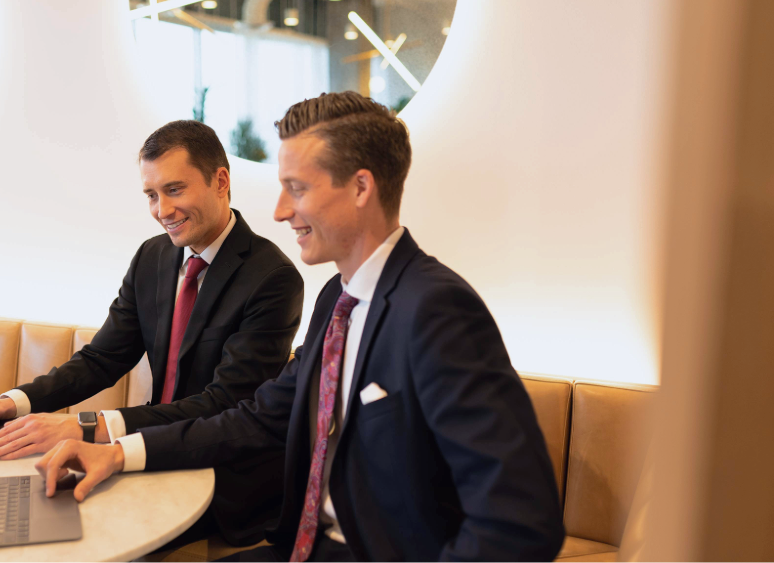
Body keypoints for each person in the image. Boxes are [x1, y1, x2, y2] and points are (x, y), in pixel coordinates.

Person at [34, 93, 565, 561]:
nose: (280, 210)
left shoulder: (437, 309)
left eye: (296, 188)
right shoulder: (337, 298)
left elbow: (521, 520)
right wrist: (117, 451)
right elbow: (259, 417)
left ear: (361, 187)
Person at [0, 120, 304, 546]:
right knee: (32, 507)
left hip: (220, 470)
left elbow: (224, 403)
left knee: (84, 533)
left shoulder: (272, 278)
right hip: (145, 447)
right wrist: (13, 404)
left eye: (174, 189)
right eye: (151, 195)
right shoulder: (152, 257)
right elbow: (101, 359)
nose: (162, 210)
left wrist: (87, 427)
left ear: (221, 181)